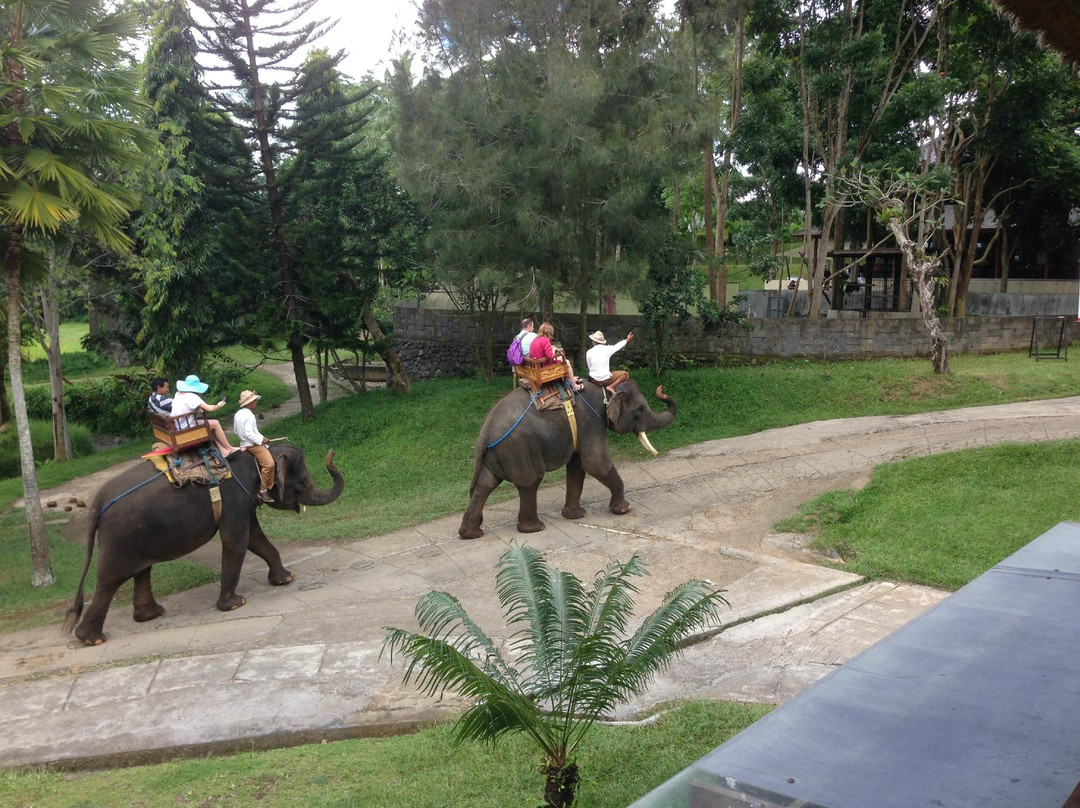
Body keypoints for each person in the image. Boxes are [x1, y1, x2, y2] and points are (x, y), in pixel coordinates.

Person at [171, 374, 236, 457]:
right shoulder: (192, 397)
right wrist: (219, 405)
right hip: (185, 426)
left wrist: (197, 409)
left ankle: (222, 449)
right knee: (215, 423)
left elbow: (185, 407)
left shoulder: (178, 393)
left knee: (208, 424)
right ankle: (228, 447)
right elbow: (209, 409)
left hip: (178, 424)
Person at [233, 390, 275, 503]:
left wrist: (262, 438)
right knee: (269, 464)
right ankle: (263, 490)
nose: (256, 402)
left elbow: (236, 431)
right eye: (254, 401)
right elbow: (249, 433)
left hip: (243, 443)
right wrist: (262, 440)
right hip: (253, 445)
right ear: (249, 403)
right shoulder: (249, 415)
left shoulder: (238, 414)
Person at [529, 321, 583, 390]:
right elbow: (550, 356)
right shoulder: (545, 340)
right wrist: (553, 349)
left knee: (561, 358)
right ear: (549, 332)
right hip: (544, 367)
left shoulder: (535, 340)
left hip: (537, 365)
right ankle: (575, 386)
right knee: (567, 362)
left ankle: (571, 377)